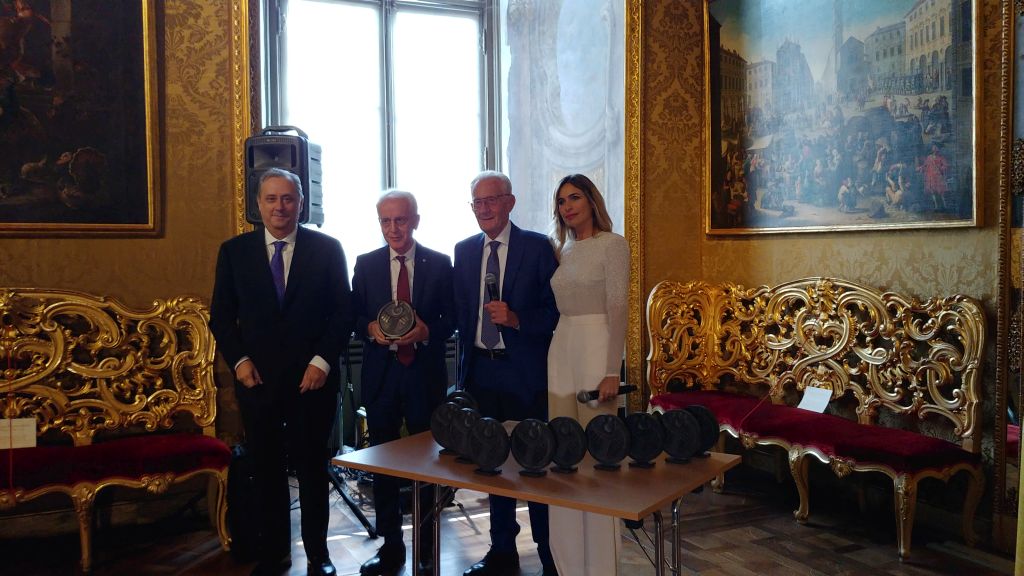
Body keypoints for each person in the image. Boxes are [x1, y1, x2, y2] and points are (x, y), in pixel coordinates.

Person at [210, 168, 352, 576]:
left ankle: (318, 556)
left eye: (288, 198)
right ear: (258, 204)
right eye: (271, 199)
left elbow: (343, 313)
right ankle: (274, 555)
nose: (280, 207)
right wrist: (240, 361)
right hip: (258, 382)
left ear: (301, 203)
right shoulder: (234, 252)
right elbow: (221, 317)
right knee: (267, 470)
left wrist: (321, 361)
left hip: (313, 382)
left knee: (312, 470)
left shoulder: (327, 249)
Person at [453, 171, 559, 576]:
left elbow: (555, 313)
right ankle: (501, 551)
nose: (484, 209)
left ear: (510, 202)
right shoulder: (464, 251)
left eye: (492, 200)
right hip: (481, 373)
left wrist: (516, 319)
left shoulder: (537, 248)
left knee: (534, 463)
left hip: (524, 375)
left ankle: (549, 554)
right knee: (491, 464)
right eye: (477, 202)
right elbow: (460, 314)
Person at [353, 190, 455, 576]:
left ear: (415, 220)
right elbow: (353, 315)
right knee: (383, 463)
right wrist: (369, 327)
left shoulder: (439, 263)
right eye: (386, 221)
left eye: (400, 220)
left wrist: (427, 332)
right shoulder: (365, 264)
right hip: (382, 376)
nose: (393, 228)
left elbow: (453, 318)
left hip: (423, 376)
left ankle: (426, 547)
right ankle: (391, 546)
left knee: (427, 464)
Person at [546, 174, 630, 576]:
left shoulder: (613, 245)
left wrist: (613, 370)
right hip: (561, 347)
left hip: (597, 346)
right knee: (563, 451)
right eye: (562, 201)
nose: (568, 207)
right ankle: (568, 562)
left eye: (575, 197)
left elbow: (619, 308)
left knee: (598, 455)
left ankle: (600, 565)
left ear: (592, 201)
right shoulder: (562, 249)